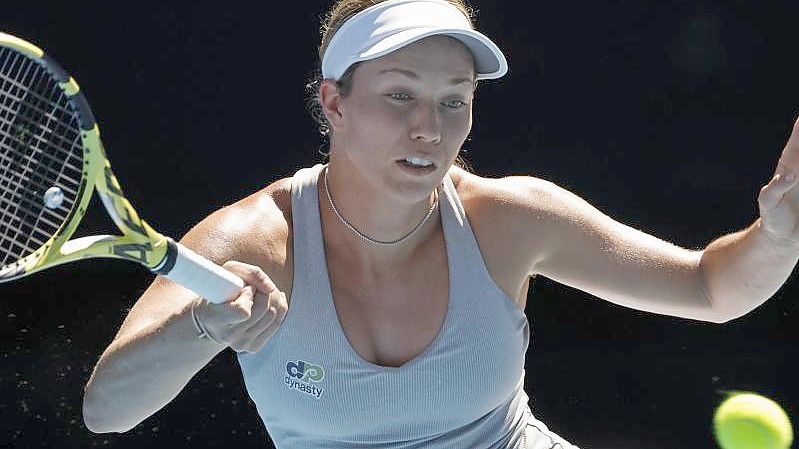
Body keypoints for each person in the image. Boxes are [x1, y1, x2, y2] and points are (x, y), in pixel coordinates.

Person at [81, 0, 799, 447]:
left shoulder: (508, 219)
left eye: (454, 101)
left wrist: (776, 233)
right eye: (399, 95)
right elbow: (106, 411)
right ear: (333, 102)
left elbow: (712, 288)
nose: (429, 128)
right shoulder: (254, 243)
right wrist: (202, 326)